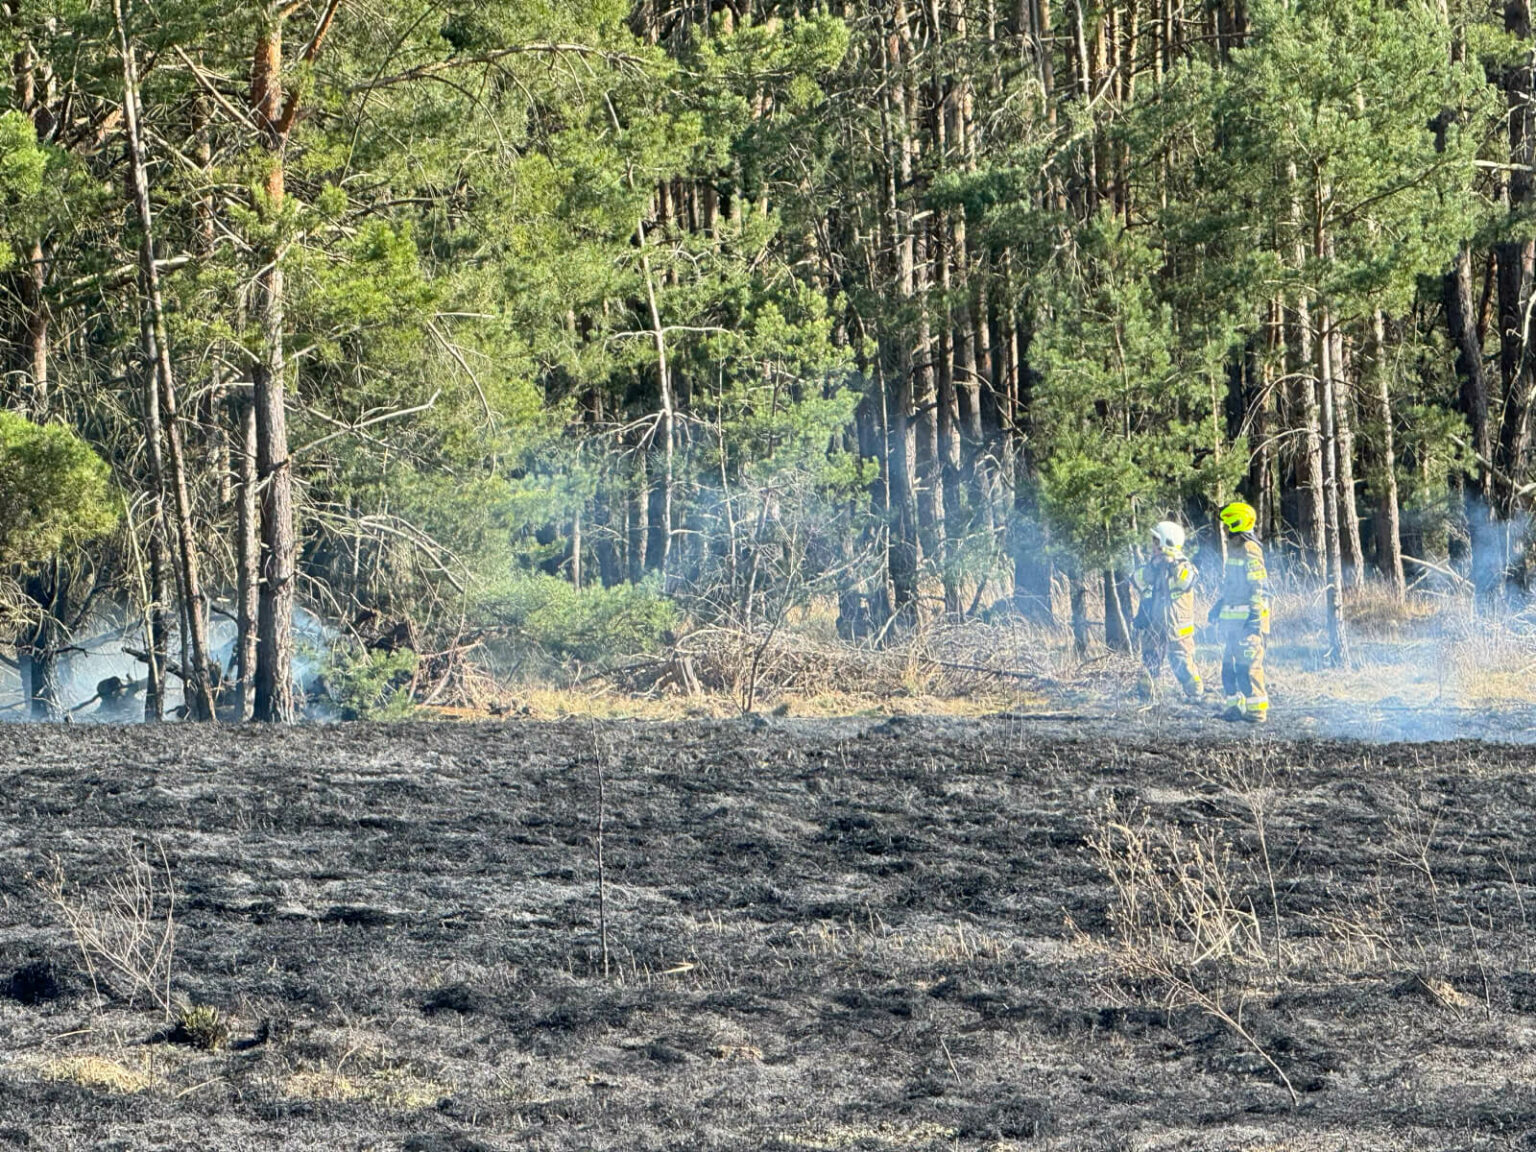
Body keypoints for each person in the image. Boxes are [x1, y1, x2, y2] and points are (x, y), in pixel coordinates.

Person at [1211, 500, 1270, 723]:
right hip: (1234, 624)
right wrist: (1219, 606)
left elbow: (1259, 586)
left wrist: (1255, 617)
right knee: (1229, 668)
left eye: (1228, 524)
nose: (1225, 530)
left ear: (1238, 523)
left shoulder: (1249, 549)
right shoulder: (1235, 550)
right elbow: (1234, 587)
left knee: (1248, 668)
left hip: (1249, 623)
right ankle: (1234, 708)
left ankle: (1256, 711)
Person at [1132, 521, 1204, 701]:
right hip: (1153, 625)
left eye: (1156, 542)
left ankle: (1195, 694)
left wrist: (1173, 564)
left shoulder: (1185, 566)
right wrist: (1154, 567)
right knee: (1149, 662)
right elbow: (1136, 580)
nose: (1153, 546)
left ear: (1167, 543)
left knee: (1181, 664)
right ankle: (1146, 697)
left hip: (1177, 629)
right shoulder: (1152, 566)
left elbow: (1187, 582)